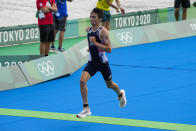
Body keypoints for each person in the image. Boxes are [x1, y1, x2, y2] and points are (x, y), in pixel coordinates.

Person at [76, 8, 127, 118]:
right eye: (91, 16)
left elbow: (109, 49)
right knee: (82, 81)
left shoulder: (103, 31)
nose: (91, 18)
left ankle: (120, 94)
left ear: (99, 19)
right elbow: (90, 40)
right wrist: (91, 47)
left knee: (110, 85)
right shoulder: (89, 29)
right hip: (92, 63)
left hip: (103, 64)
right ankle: (86, 108)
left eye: (94, 17)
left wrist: (95, 43)